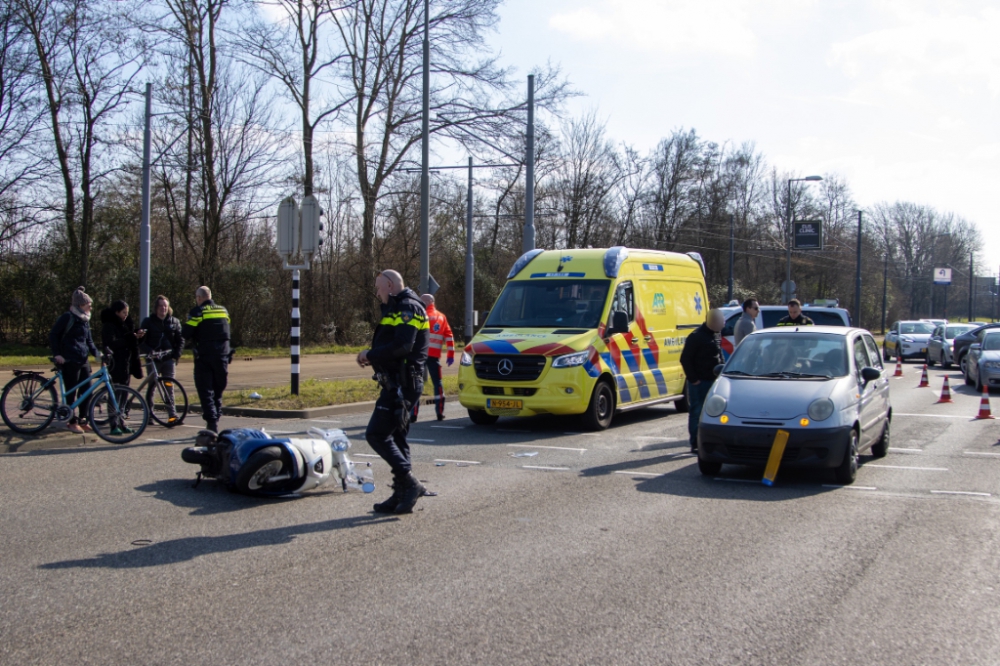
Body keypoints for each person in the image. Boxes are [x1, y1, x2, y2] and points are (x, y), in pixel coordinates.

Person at [357, 270, 430, 514]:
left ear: (389, 285)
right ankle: (401, 492)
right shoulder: (399, 307)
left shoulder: (408, 307)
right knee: (397, 438)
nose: (377, 294)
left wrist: (370, 354)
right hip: (398, 382)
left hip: (403, 383)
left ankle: (410, 484)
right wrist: (374, 354)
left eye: (379, 288)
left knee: (376, 434)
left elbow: (402, 346)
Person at [49, 287, 99, 434]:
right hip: (69, 360)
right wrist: (57, 354)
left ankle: (83, 419)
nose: (90, 306)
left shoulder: (85, 320)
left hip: (83, 360)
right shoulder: (67, 317)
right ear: (80, 305)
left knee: (87, 392)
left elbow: (89, 341)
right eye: (88, 304)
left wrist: (97, 353)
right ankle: (71, 422)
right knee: (71, 392)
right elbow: (53, 335)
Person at [182, 286, 230, 433]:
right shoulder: (223, 311)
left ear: (199, 298)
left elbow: (186, 332)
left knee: (205, 391)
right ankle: (217, 417)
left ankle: (212, 423)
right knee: (218, 390)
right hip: (222, 357)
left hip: (204, 357)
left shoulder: (198, 312)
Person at [680, 308, 725, 453]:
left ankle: (711, 442)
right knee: (697, 412)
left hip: (714, 382)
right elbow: (685, 359)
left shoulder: (716, 335)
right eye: (720, 321)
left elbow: (719, 355)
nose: (722, 324)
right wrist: (694, 380)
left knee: (714, 413)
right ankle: (695, 443)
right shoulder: (696, 336)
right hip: (700, 383)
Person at [140, 295, 185, 422]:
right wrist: (150, 351)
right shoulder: (147, 322)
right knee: (152, 387)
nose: (163, 308)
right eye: (160, 306)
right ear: (156, 308)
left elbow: (180, 340)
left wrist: (176, 355)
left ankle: (172, 415)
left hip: (168, 359)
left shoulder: (174, 322)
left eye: (165, 305)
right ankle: (149, 415)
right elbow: (141, 341)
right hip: (152, 360)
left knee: (169, 387)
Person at [411, 293, 454, 422]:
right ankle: (440, 413)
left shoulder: (419, 315)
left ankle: (413, 414)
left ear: (426, 302)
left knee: (416, 383)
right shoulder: (441, 317)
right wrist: (450, 354)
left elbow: (412, 335)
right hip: (434, 356)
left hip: (419, 354)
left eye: (421, 300)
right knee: (438, 384)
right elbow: (449, 336)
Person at [101, 300, 145, 387]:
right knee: (117, 390)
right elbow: (111, 343)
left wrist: (137, 335)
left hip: (126, 363)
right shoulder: (109, 325)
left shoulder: (126, 324)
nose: (126, 315)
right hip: (115, 364)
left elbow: (130, 339)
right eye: (124, 312)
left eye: (127, 313)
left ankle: (123, 401)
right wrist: (130, 338)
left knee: (125, 389)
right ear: (117, 312)